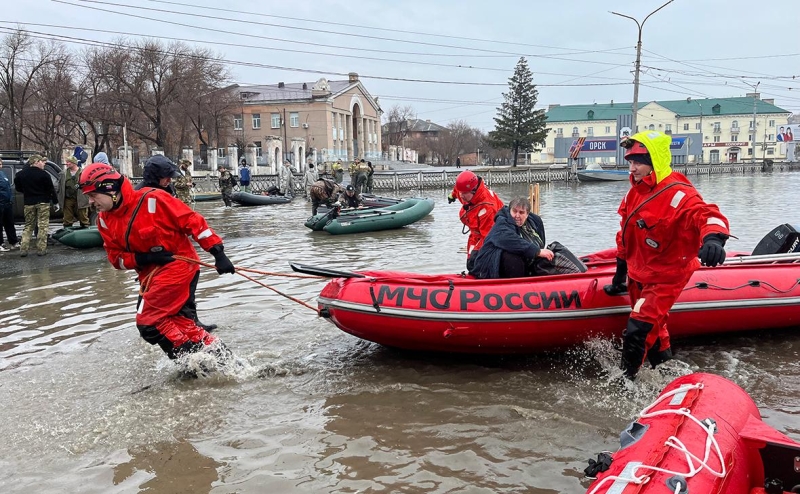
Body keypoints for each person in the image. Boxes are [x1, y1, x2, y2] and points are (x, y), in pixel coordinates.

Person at [78, 163, 236, 363]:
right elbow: (115, 258)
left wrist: (217, 252)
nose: (91, 202)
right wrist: (145, 258)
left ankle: (192, 362)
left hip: (179, 267)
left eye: (93, 196)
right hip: (150, 275)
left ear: (111, 189)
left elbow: (193, 221)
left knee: (148, 323)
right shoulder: (103, 220)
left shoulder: (153, 199)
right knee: (177, 321)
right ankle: (219, 358)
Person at [604, 131, 730, 380]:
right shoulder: (634, 193)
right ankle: (664, 369)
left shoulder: (679, 193)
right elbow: (625, 236)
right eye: (630, 161)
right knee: (656, 326)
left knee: (637, 329)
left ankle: (624, 385)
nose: (632, 168)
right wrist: (620, 275)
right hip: (640, 271)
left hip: (667, 274)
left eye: (638, 162)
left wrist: (714, 238)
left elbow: (706, 215)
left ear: (654, 161)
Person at [469, 198, 553, 279]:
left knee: (554, 249)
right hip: (491, 265)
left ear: (527, 214)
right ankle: (516, 287)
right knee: (513, 258)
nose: (517, 216)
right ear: (510, 211)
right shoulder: (502, 222)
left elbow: (541, 241)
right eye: (514, 211)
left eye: (521, 212)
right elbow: (510, 240)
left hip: (526, 264)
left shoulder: (535, 221)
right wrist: (537, 251)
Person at [449, 170, 504, 270]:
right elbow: (457, 190)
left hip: (490, 232)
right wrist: (452, 196)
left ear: (473, 190)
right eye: (460, 193)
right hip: (475, 232)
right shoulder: (465, 192)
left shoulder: (487, 208)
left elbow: (487, 236)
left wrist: (477, 251)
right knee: (470, 262)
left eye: (464, 193)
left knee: (477, 261)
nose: (461, 196)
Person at [14, 155, 58, 257]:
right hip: (43, 203)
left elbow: (18, 188)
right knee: (42, 226)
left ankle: (23, 249)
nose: (44, 164)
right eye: (42, 162)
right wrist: (55, 202)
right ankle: (41, 249)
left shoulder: (20, 174)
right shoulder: (44, 175)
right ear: (36, 162)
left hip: (28, 203)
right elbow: (51, 189)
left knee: (28, 226)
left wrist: (27, 192)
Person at [57, 156, 90, 228]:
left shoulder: (83, 173)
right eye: (67, 162)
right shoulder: (64, 174)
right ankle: (67, 229)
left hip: (81, 198)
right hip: (68, 198)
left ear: (74, 163)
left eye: (69, 162)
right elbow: (60, 186)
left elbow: (88, 184)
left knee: (83, 216)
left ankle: (85, 228)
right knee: (67, 217)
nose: (67, 164)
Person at [0, 158, 20, 251]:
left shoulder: (3, 174)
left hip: (7, 203)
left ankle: (13, 242)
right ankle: (0, 244)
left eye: (0, 163)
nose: (0, 165)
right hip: (1, 203)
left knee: (10, 223)